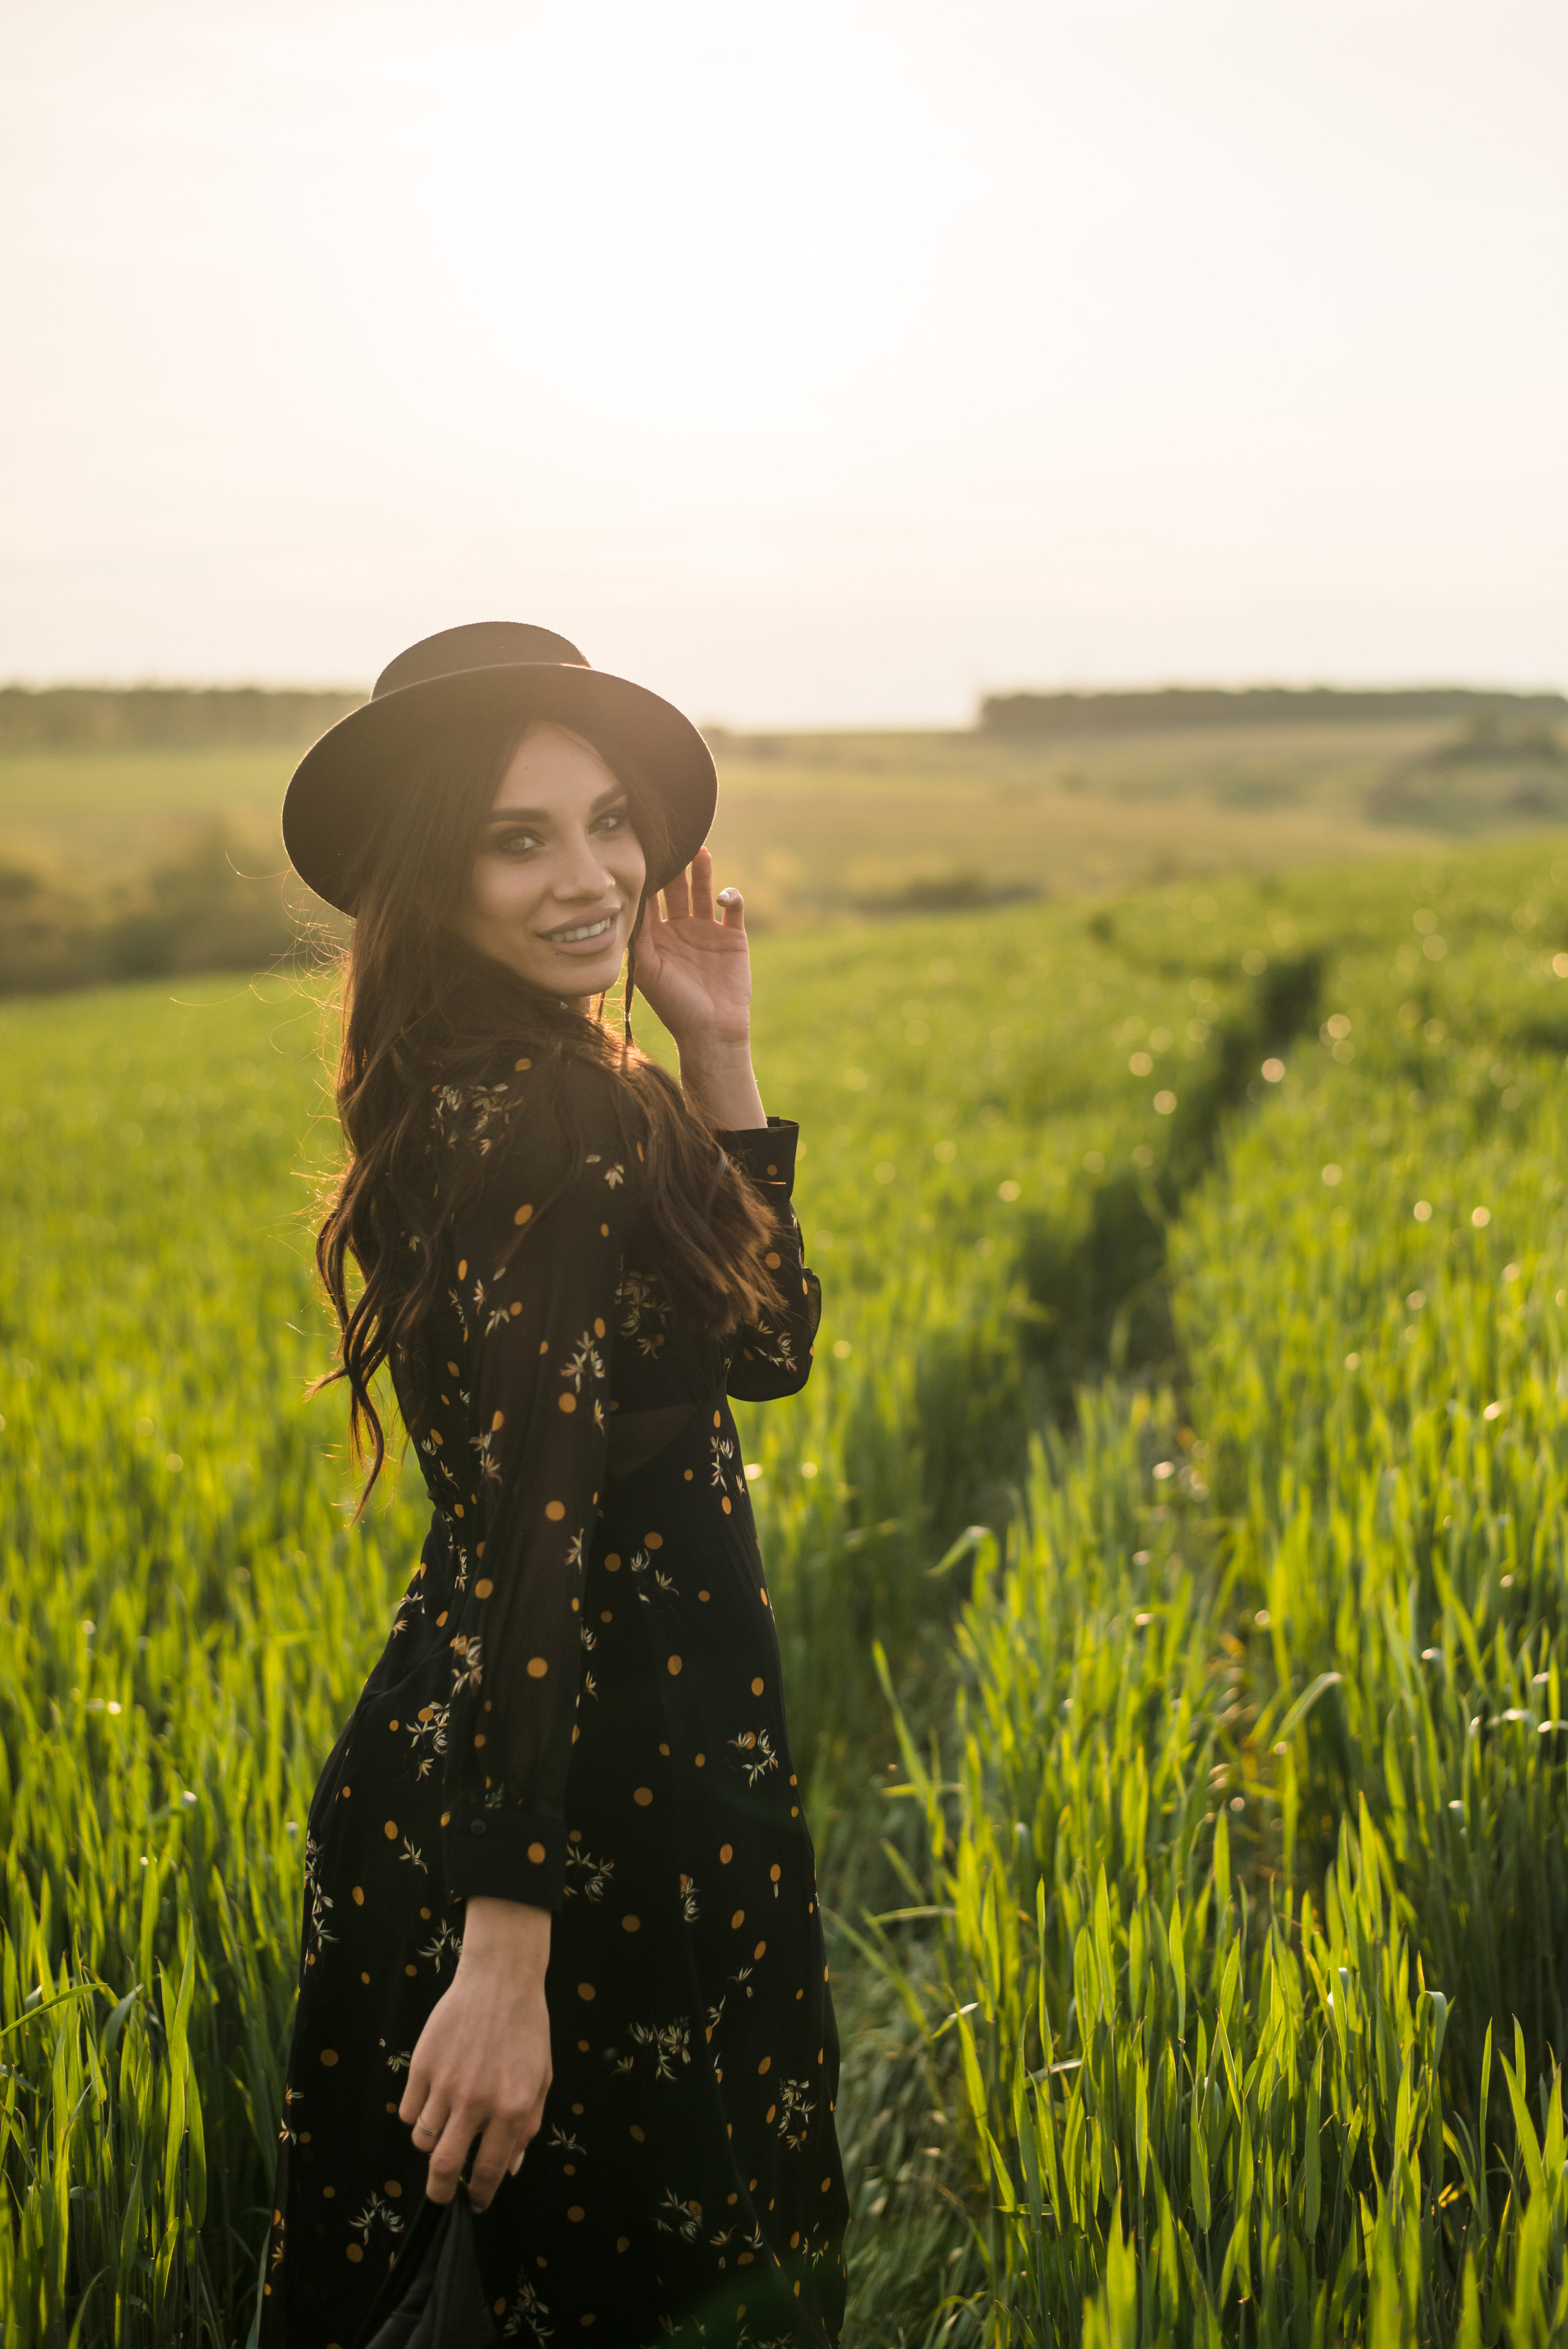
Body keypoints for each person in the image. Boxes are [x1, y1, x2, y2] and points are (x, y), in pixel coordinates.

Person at [260, 624, 848, 2348]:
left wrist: (721, 1053)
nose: (592, 875)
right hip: (593, 1805)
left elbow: (766, 1348)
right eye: (520, 838)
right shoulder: (557, 1118)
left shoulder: (526, 1076)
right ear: (428, 874)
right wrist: (505, 1954)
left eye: (607, 820)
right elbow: (544, 1516)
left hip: (495, 1759)